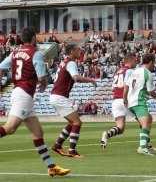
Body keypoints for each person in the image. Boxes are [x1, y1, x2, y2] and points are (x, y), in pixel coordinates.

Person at [0, 27, 70, 177]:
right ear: (33, 38)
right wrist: (44, 83)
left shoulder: (14, 53)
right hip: (24, 94)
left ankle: (51, 166)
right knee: (10, 128)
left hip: (20, 93)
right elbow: (41, 78)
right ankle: (51, 166)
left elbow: (1, 67)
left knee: (38, 132)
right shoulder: (35, 53)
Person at [50, 43, 97, 158]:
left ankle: (57, 145)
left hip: (56, 96)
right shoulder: (71, 62)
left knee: (72, 122)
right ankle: (72, 151)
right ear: (71, 51)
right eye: (77, 50)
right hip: (60, 97)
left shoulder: (64, 61)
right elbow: (76, 78)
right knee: (77, 122)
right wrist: (90, 79)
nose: (80, 52)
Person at [123, 53, 156, 156]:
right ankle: (142, 147)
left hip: (131, 101)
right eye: (154, 63)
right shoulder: (147, 73)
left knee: (148, 119)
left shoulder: (134, 71)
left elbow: (126, 86)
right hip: (139, 101)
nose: (154, 65)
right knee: (145, 123)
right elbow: (151, 92)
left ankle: (146, 143)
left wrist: (125, 99)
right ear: (150, 62)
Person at [101, 54, 137, 149]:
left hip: (116, 101)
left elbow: (113, 88)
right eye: (135, 60)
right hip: (125, 100)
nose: (136, 62)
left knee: (120, 128)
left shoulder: (118, 71)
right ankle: (146, 145)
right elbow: (127, 86)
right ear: (130, 60)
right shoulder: (130, 71)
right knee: (144, 121)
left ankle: (107, 134)